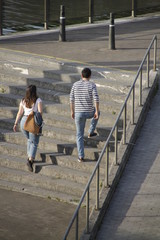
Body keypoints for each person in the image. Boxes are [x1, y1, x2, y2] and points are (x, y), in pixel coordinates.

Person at [70, 68, 100, 163]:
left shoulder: (75, 85)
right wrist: (96, 111)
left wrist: (72, 111)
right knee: (98, 112)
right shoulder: (92, 85)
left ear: (81, 75)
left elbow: (71, 99)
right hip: (89, 112)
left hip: (78, 113)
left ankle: (81, 156)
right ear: (90, 76)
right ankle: (91, 131)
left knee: (79, 135)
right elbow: (96, 99)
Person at [13, 85, 43, 172]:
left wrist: (15, 123)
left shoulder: (23, 100)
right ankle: (30, 160)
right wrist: (39, 124)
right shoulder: (38, 100)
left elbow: (19, 113)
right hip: (32, 122)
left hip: (23, 122)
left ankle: (29, 155)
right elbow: (40, 113)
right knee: (34, 142)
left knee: (30, 139)